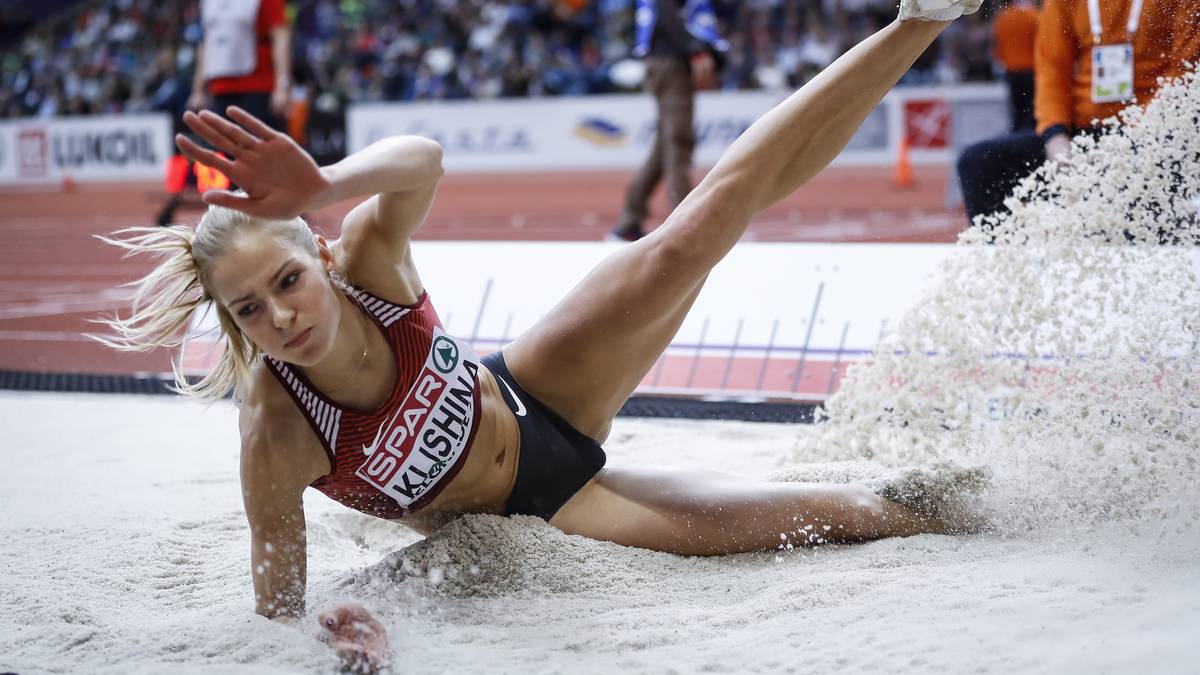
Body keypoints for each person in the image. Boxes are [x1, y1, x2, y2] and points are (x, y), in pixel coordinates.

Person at [102, 1, 982, 670]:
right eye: (249, 309)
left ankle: (919, 17)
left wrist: (326, 176)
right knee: (857, 516)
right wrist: (333, 642)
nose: (280, 316)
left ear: (323, 256)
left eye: (286, 281)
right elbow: (278, 613)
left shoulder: (366, 258)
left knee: (692, 230)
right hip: (534, 511)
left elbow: (425, 161)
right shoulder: (277, 430)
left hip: (534, 391)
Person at [957, 0, 1200, 224]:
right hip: (1083, 134)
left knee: (1145, 179)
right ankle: (1007, 261)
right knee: (980, 163)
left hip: (1154, 136)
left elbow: (1184, 76)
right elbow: (1053, 68)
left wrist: (1130, 146)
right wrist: (1055, 137)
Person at [157, 0, 293, 226]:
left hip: (258, 87)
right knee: (229, 157)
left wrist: (282, 84)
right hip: (221, 89)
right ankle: (238, 215)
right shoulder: (210, 4)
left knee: (261, 155)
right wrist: (198, 88)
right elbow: (206, 43)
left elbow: (280, 36)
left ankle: (282, 214)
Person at [610, 0, 728, 241]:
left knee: (665, 145)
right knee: (679, 142)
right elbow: (666, 10)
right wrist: (694, 49)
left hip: (664, 60)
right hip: (672, 63)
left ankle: (630, 219)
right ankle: (684, 222)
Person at [991, 0, 1039, 132]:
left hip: (1011, 70)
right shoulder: (1034, 16)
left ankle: (1017, 136)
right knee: (1030, 111)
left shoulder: (1003, 17)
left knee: (1016, 110)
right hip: (1031, 69)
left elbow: (999, 45)